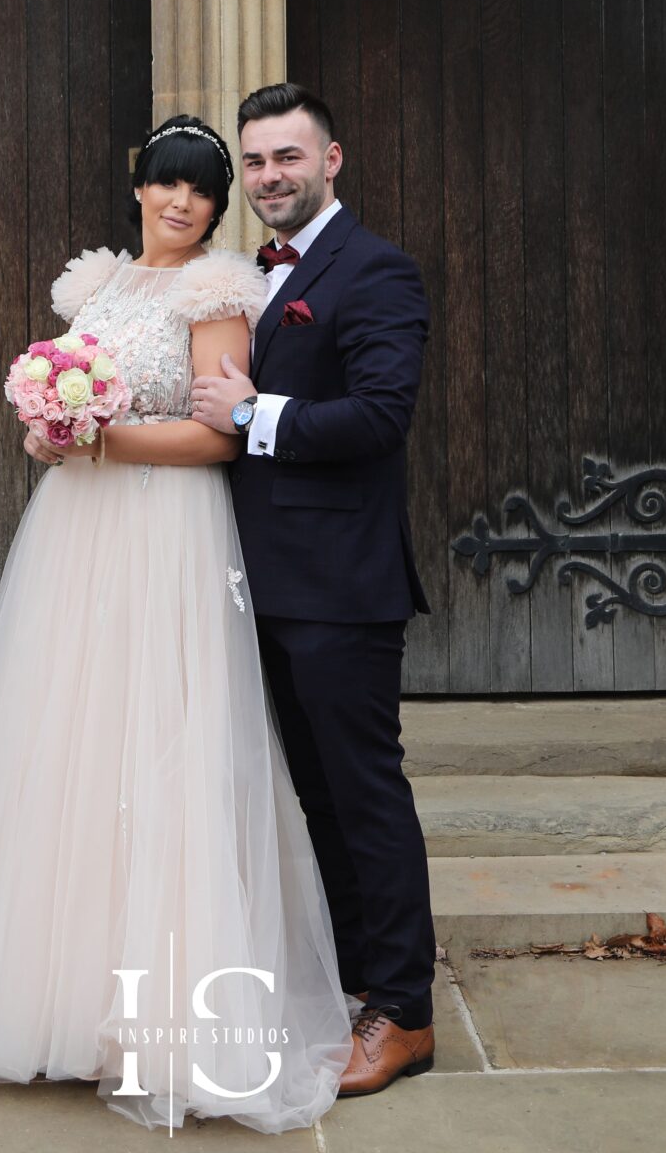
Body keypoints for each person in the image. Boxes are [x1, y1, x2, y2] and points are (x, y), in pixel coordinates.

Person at [0, 113, 353, 1134]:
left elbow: (217, 435)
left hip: (165, 535)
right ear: (136, 185)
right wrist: (52, 434)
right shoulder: (93, 288)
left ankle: (165, 1023)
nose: (182, 203)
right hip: (76, 537)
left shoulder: (216, 292)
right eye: (166, 184)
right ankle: (55, 996)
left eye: (201, 190)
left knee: (158, 738)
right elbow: (64, 400)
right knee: (69, 739)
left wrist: (103, 444)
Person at [191, 82, 437, 1096]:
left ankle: (407, 1015)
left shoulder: (373, 269)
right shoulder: (250, 274)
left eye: (286, 158)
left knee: (364, 794)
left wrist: (258, 416)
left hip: (341, 586)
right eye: (254, 162)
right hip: (264, 581)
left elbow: (379, 417)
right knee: (318, 801)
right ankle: (356, 982)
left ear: (329, 160)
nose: (268, 178)